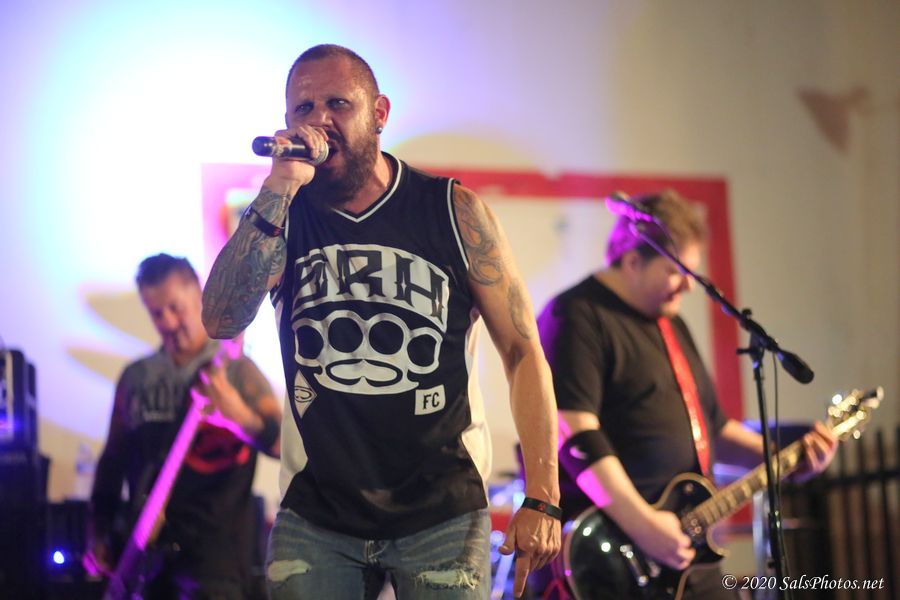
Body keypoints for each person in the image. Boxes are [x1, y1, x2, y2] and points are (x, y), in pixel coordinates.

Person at [201, 44, 560, 599]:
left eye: (338, 103)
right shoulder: (282, 215)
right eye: (303, 108)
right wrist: (277, 187)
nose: (320, 120)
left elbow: (522, 350)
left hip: (442, 509)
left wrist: (543, 495)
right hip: (318, 512)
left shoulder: (452, 210)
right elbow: (221, 320)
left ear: (380, 113)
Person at [535, 191, 838, 599]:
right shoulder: (576, 315)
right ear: (633, 261)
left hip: (688, 552)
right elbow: (572, 430)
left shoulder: (670, 323)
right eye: (676, 272)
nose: (689, 286)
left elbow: (716, 431)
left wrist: (789, 459)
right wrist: (642, 524)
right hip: (618, 554)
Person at [84, 253, 282, 600]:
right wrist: (98, 531)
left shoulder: (237, 371)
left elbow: (281, 444)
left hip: (215, 567)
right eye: (156, 313)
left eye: (175, 308)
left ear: (198, 295)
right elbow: (112, 460)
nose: (169, 322)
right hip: (147, 564)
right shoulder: (136, 377)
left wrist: (237, 414)